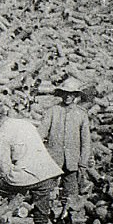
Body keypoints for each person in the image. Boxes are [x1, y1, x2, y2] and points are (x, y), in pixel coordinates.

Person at [39, 76, 92, 215]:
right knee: (47, 191)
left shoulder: (81, 115)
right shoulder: (53, 111)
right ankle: (48, 218)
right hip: (53, 160)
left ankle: (69, 221)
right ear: (61, 94)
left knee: (71, 193)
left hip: (72, 162)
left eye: (71, 94)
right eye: (65, 93)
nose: (68, 96)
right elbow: (41, 134)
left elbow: (86, 142)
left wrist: (83, 163)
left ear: (76, 95)